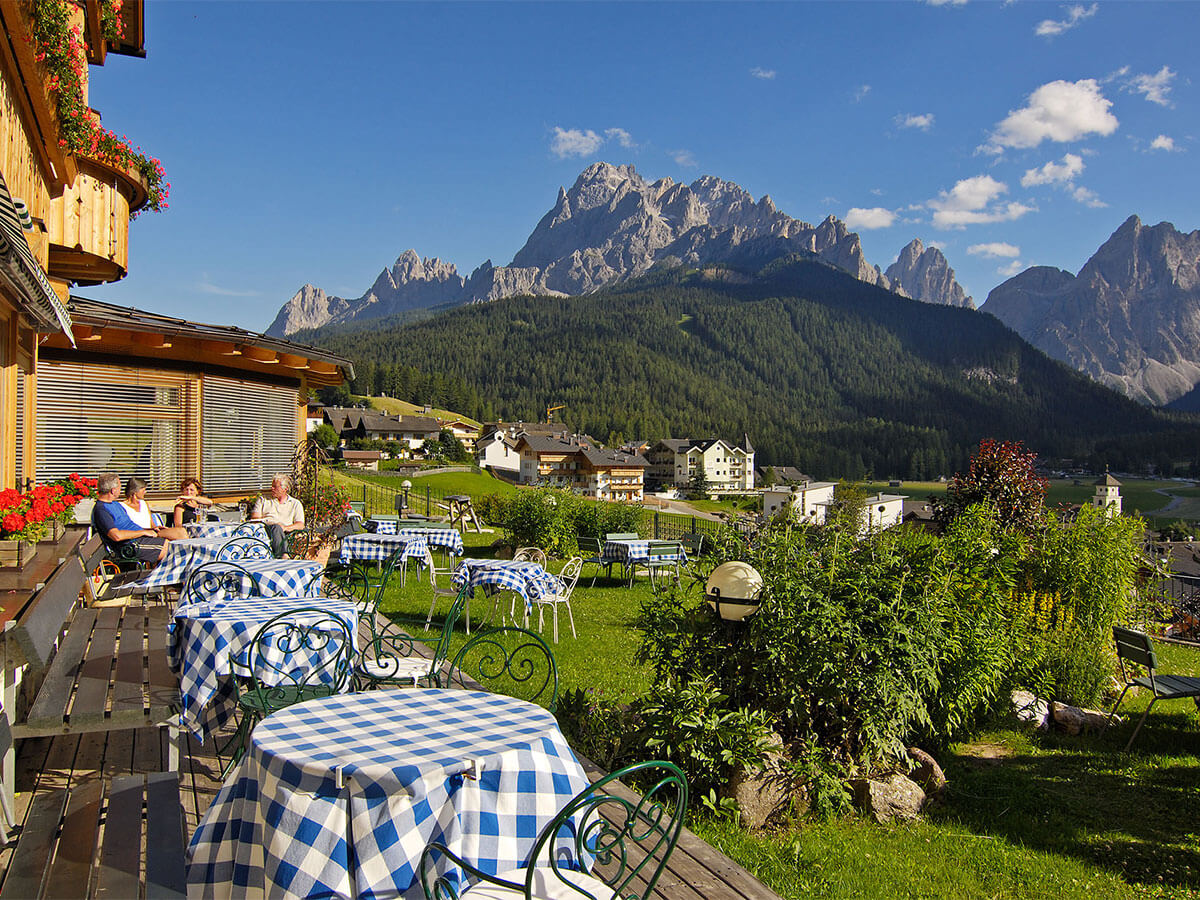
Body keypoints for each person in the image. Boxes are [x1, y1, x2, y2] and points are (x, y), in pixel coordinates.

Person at [91, 472, 169, 566]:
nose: (121, 490)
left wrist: (149, 530)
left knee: (175, 538)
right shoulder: (101, 510)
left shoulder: (114, 504)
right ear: (113, 491)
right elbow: (116, 536)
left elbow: (129, 526)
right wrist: (143, 532)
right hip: (130, 546)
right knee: (171, 548)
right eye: (119, 487)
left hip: (138, 539)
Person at [250, 473, 305, 556]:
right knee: (276, 527)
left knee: (277, 528)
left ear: (285, 489)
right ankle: (284, 555)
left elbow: (300, 525)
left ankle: (282, 555)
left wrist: (285, 527)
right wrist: (271, 522)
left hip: (285, 534)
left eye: (275, 487)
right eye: (272, 486)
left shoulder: (295, 503)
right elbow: (255, 518)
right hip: (264, 531)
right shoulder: (263, 499)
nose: (272, 488)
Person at [121, 476, 188, 541]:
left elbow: (152, 524)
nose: (145, 492)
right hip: (140, 535)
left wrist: (157, 527)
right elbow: (126, 527)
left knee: (181, 531)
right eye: (143, 490)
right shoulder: (122, 506)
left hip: (152, 532)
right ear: (135, 491)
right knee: (179, 535)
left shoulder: (144, 503)